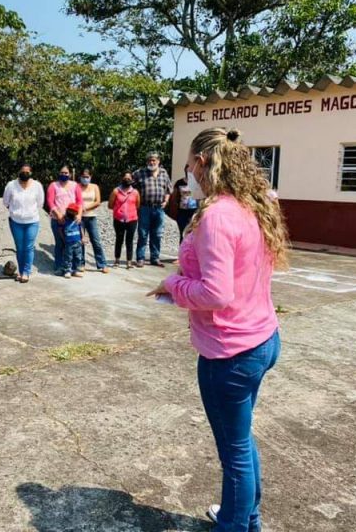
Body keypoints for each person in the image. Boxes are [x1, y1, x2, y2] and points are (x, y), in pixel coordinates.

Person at [148, 127, 288, 532]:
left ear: (203, 163)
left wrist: (171, 285)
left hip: (229, 353)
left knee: (235, 452)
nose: (187, 172)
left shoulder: (216, 215)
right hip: (261, 339)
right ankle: (244, 518)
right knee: (240, 442)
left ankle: (235, 525)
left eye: (189, 164)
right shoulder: (253, 204)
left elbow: (215, 292)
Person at [3, 163, 45, 283]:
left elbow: (40, 203)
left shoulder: (37, 185)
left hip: (32, 221)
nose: (25, 174)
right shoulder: (11, 185)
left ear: (31, 173)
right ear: (19, 172)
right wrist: (15, 212)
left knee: (29, 247)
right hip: (16, 222)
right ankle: (21, 272)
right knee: (20, 248)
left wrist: (29, 212)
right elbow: (6, 202)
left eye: (27, 172)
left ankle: (26, 272)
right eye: (23, 171)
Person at [132, 151, 172, 267]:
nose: (151, 162)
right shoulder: (140, 173)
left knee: (157, 234)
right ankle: (140, 258)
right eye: (149, 160)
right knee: (143, 233)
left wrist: (166, 201)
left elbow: (168, 189)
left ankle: (155, 258)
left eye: (154, 160)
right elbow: (129, 184)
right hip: (144, 208)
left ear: (158, 161)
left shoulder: (164, 173)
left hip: (159, 209)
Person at [46, 165, 83, 274]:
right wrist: (58, 215)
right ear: (59, 173)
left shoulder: (75, 185)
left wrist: (79, 215)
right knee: (60, 243)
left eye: (66, 173)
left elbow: (80, 202)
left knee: (74, 244)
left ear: (70, 174)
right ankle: (59, 267)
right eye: (62, 172)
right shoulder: (53, 185)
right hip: (58, 219)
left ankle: (74, 268)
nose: (64, 174)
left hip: (73, 221)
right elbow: (50, 202)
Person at [77, 168, 108, 273]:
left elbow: (98, 201)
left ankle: (102, 264)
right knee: (80, 241)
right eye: (83, 177)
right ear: (80, 177)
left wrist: (85, 208)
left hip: (91, 217)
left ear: (90, 177)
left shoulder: (95, 187)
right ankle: (81, 264)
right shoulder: (76, 187)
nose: (85, 178)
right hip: (79, 217)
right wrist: (80, 210)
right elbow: (74, 200)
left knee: (96, 241)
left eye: (87, 177)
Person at [108, 171, 140, 269]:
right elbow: (110, 205)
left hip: (132, 220)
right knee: (119, 239)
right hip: (119, 219)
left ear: (132, 180)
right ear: (122, 179)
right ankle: (117, 260)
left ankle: (129, 262)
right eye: (125, 178)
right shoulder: (116, 191)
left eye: (129, 179)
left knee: (129, 241)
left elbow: (137, 205)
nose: (127, 180)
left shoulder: (135, 192)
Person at [171, 164, 198, 243]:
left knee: (194, 234)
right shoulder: (179, 182)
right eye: (188, 169)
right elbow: (174, 197)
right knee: (183, 233)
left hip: (194, 211)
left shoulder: (198, 182)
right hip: (182, 212)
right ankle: (183, 252)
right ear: (185, 170)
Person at [60, 203, 84, 279]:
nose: (71, 212)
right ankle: (67, 271)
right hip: (68, 242)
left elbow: (81, 229)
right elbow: (60, 229)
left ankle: (75, 271)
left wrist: (82, 238)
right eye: (70, 210)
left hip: (78, 241)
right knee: (68, 257)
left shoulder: (77, 220)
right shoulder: (64, 220)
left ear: (76, 212)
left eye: (73, 211)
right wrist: (63, 238)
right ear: (67, 210)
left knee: (78, 257)